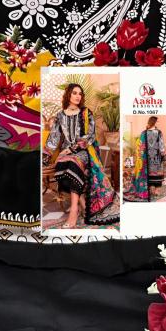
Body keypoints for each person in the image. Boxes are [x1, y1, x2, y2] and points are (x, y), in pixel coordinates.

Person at [42, 83, 119, 228]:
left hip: (84, 151)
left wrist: (72, 149)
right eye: (74, 93)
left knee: (73, 164)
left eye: (80, 93)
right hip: (65, 153)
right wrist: (44, 157)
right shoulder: (60, 116)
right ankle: (82, 201)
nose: (78, 96)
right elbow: (53, 139)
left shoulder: (86, 113)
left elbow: (90, 136)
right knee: (61, 165)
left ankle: (73, 211)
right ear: (68, 95)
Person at [125, 116, 166, 203]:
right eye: (157, 121)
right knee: (157, 174)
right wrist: (163, 153)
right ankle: (156, 191)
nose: (158, 123)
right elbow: (161, 145)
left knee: (149, 174)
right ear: (154, 122)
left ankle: (150, 189)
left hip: (146, 159)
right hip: (156, 158)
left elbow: (140, 146)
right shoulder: (159, 132)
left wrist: (141, 158)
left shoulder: (144, 133)